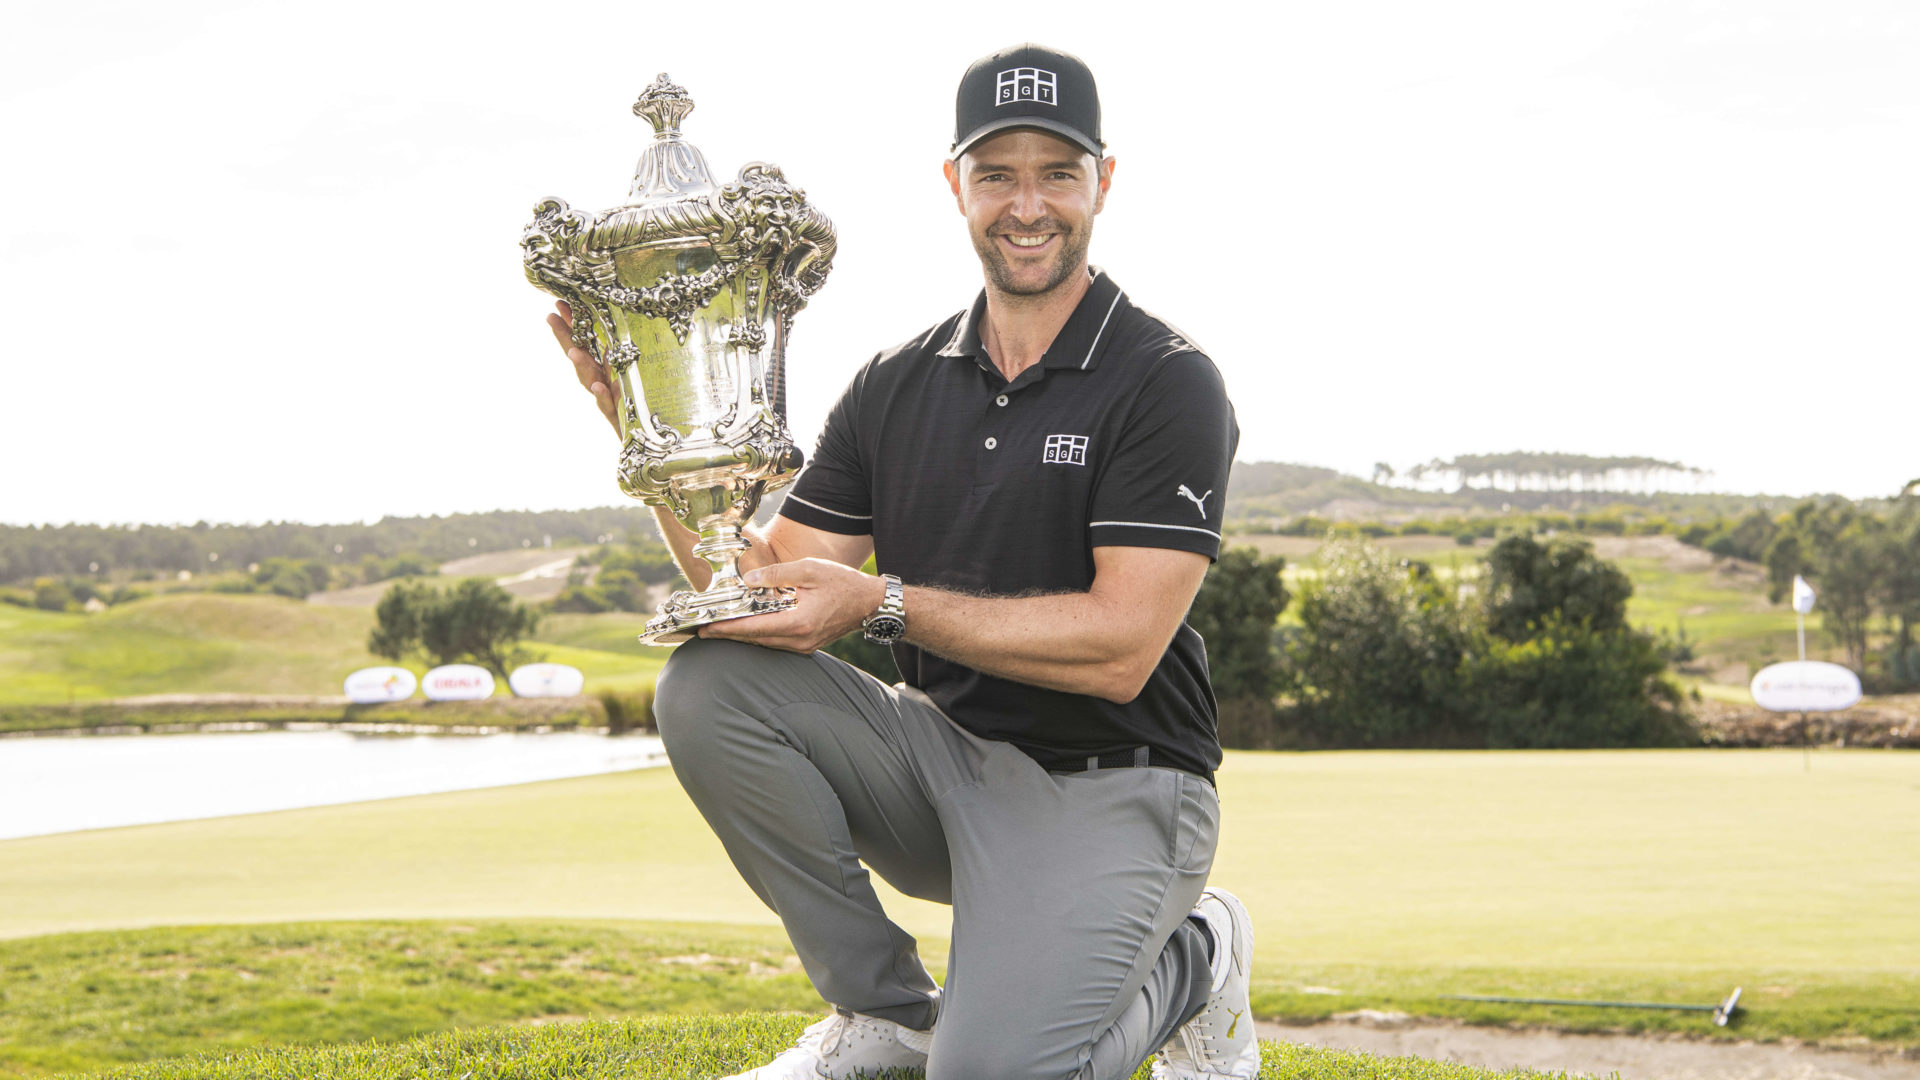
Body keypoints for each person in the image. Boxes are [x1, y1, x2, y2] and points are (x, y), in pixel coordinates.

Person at [548, 43, 1255, 1080]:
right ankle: (887, 1012)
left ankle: (1197, 956)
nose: (1027, 205)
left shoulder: (1166, 379)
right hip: (943, 765)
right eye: (997, 173)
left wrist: (881, 603)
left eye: (1057, 172)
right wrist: (655, 434)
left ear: (1104, 180)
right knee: (711, 682)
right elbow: (758, 585)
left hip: (1119, 789)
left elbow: (1121, 647)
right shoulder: (894, 382)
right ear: (954, 185)